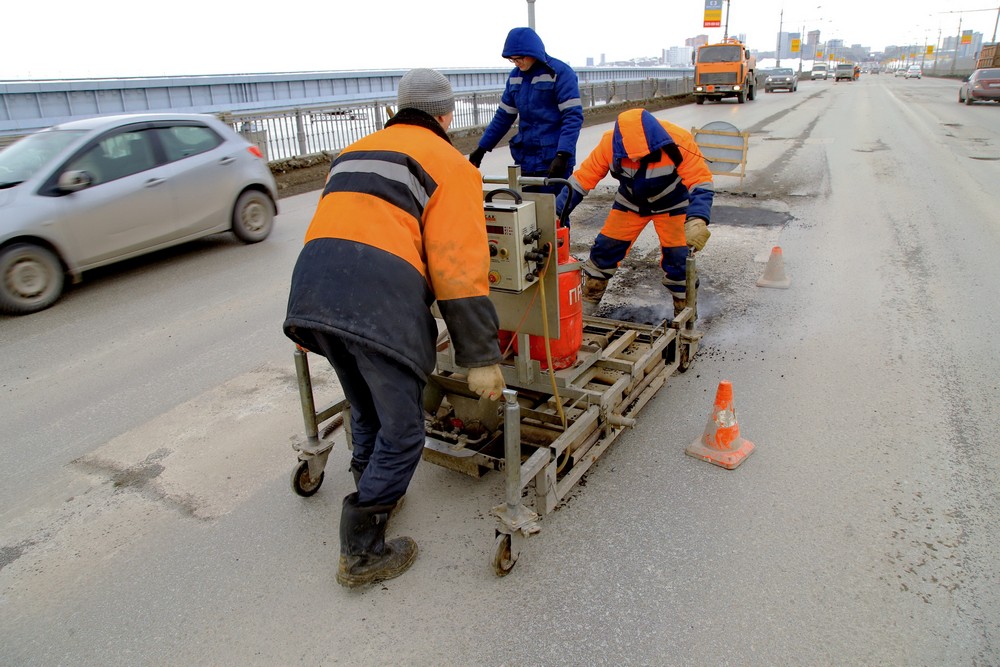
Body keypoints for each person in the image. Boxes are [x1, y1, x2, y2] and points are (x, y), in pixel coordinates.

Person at [283, 68, 506, 588]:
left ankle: (375, 484)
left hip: (314, 292)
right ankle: (361, 552)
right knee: (404, 432)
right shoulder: (452, 166)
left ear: (394, 109)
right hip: (376, 301)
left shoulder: (354, 151)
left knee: (364, 405)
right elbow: (457, 269)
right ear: (446, 116)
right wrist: (481, 358)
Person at [555, 108, 714, 317]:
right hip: (630, 203)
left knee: (679, 262)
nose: (637, 162)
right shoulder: (609, 144)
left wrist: (697, 219)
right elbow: (581, 181)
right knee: (604, 251)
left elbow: (701, 182)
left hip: (672, 205)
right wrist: (555, 214)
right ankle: (586, 308)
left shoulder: (678, 140)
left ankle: (685, 318)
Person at [469, 27, 583, 193]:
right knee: (526, 214)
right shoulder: (515, 77)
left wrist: (563, 155)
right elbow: (503, 117)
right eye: (512, 60)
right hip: (525, 160)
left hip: (554, 161)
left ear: (533, 52)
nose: (516, 63)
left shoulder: (560, 73)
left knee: (554, 214)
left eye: (519, 58)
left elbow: (572, 117)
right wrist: (482, 148)